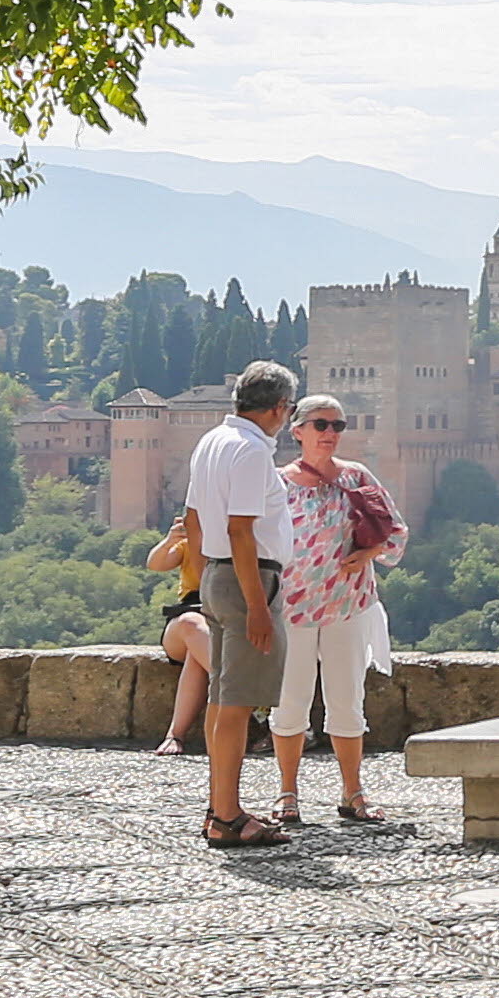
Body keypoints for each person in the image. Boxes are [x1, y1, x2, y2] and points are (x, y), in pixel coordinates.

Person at [268, 393, 402, 827]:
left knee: (348, 702)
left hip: (348, 605)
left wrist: (369, 553)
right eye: (321, 425)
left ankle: (353, 792)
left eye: (337, 426)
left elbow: (395, 532)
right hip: (292, 609)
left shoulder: (357, 476)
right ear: (298, 431)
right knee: (290, 705)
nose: (330, 434)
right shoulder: (277, 482)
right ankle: (287, 792)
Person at [182, 360, 296, 851]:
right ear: (278, 409)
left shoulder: (211, 441)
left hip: (216, 575)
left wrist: (207, 576)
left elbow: (192, 518)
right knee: (236, 703)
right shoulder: (251, 452)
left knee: (222, 698)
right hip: (248, 580)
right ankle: (227, 816)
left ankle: (219, 806)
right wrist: (257, 606)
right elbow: (241, 530)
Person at [144, 512, 216, 754]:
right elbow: (155, 564)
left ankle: (176, 735)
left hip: (221, 624)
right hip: (188, 618)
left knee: (197, 654)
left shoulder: (244, 541)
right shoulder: (189, 544)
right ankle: (243, 694)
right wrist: (170, 540)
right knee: (191, 625)